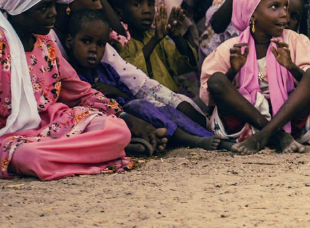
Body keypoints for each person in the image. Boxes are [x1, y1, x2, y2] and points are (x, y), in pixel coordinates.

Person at [0, 0, 132, 180]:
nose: (54, 13)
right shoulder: (1, 45)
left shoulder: (45, 43)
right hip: (9, 136)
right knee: (29, 155)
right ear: (18, 6)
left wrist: (122, 115)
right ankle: (85, 154)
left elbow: (78, 90)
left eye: (54, 4)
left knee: (118, 131)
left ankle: (65, 156)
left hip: (53, 125)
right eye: (43, 7)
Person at [62, 9, 228, 152]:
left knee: (162, 108)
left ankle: (207, 136)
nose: (93, 49)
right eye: (86, 41)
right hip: (109, 120)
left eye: (100, 44)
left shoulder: (107, 69)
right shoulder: (71, 74)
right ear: (70, 42)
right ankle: (191, 140)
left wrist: (114, 91)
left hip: (134, 111)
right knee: (141, 107)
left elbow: (128, 94)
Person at [200, 0, 310, 154]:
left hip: (288, 118)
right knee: (217, 80)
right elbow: (209, 96)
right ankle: (277, 135)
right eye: (275, 7)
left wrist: (291, 67)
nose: (284, 14)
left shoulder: (296, 41)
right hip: (246, 122)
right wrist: (233, 71)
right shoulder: (231, 48)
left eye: (285, 7)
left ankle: (263, 136)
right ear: (253, 13)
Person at [111, 0, 198, 93]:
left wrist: (176, 36)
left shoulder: (156, 36)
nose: (147, 10)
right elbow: (130, 73)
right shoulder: (120, 43)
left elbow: (184, 65)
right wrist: (154, 40)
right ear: (119, 13)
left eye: (151, 4)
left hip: (172, 100)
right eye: (137, 4)